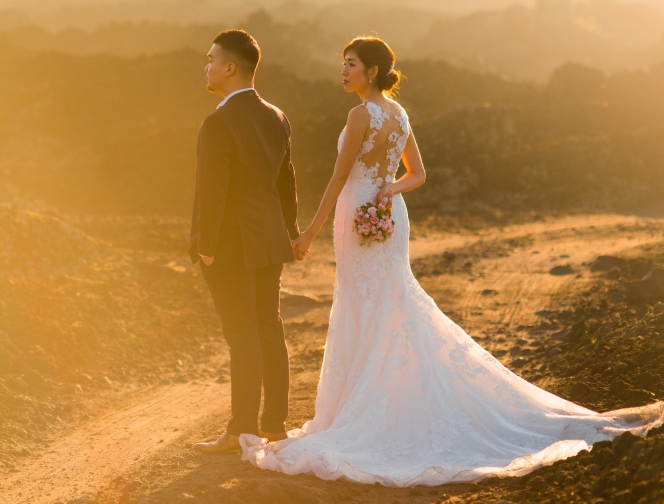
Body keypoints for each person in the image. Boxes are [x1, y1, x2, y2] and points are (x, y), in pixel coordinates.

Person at [240, 34, 664, 486]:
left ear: (372, 71)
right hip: (388, 214)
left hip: (357, 211)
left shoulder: (360, 114)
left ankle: (362, 410)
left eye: (351, 64)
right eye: (343, 63)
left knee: (364, 302)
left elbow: (339, 177)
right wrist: (389, 190)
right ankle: (374, 399)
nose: (343, 71)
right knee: (389, 298)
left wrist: (309, 231)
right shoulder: (399, 114)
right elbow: (417, 175)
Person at [189, 29, 300, 453]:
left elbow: (210, 190)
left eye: (212, 59)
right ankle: (274, 425)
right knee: (269, 329)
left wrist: (205, 246)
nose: (207, 65)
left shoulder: (218, 122)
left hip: (230, 245)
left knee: (241, 335)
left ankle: (239, 432)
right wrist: (290, 234)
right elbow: (286, 182)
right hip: (268, 240)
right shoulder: (277, 116)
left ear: (230, 67)